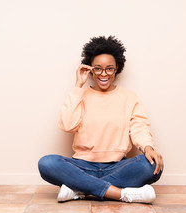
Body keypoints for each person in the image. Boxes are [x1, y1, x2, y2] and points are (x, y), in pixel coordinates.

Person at [38, 36, 163, 203]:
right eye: (98, 69)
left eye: (109, 69)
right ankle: (121, 194)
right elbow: (67, 125)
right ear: (91, 69)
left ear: (117, 68)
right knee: (47, 163)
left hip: (118, 166)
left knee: (152, 165)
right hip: (82, 167)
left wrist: (148, 148)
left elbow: (139, 126)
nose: (103, 74)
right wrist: (77, 86)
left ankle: (81, 190)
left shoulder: (129, 96)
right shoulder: (80, 94)